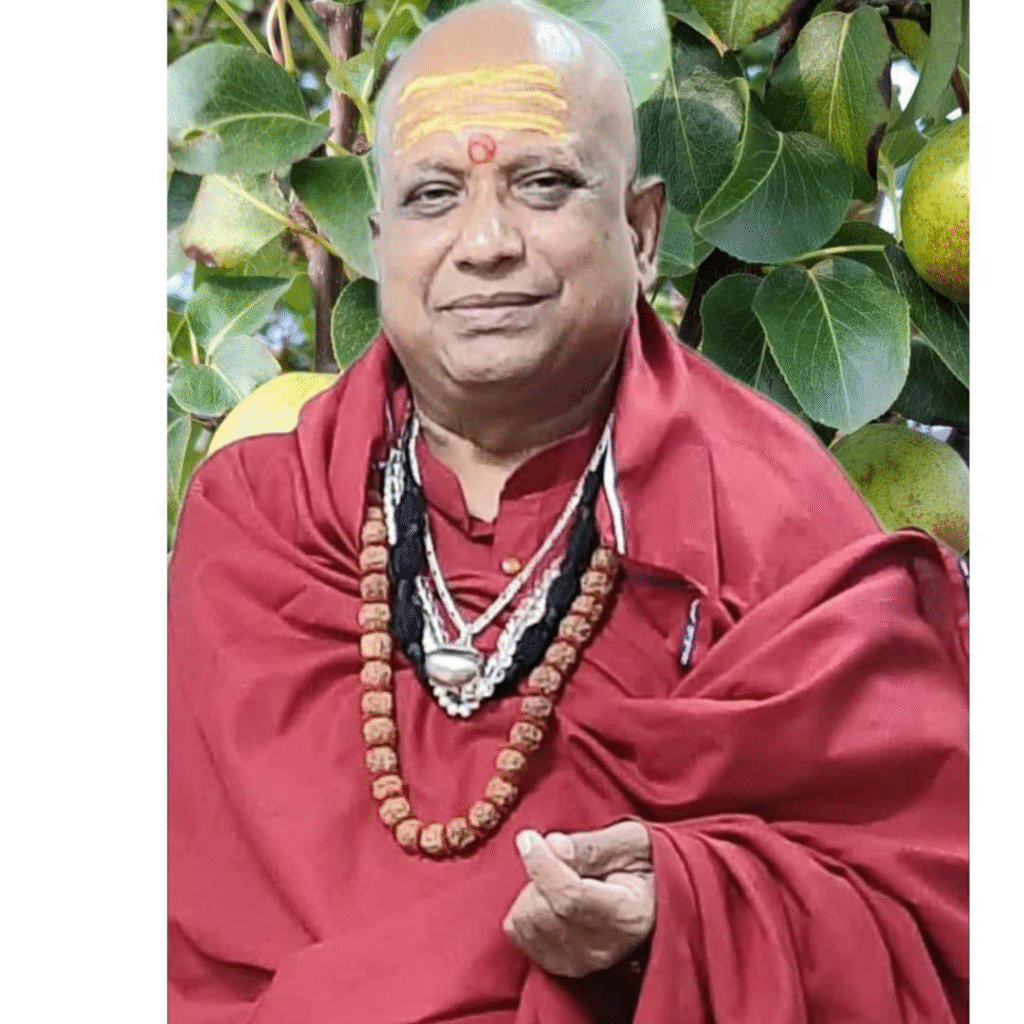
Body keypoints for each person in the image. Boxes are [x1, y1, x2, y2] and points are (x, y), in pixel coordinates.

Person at [168, 1, 968, 1021]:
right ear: (377, 245)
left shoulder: (773, 526)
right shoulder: (259, 523)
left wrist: (684, 911)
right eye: (434, 194)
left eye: (542, 184)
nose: (486, 242)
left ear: (641, 232)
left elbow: (940, 925)